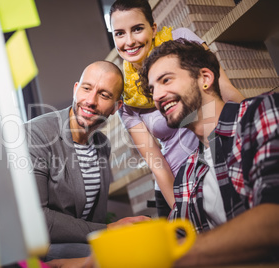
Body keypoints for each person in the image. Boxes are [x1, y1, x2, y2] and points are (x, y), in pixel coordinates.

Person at [46, 39, 279, 268]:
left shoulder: (263, 112)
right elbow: (176, 238)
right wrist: (88, 262)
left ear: (205, 78)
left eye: (166, 80)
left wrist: (166, 256)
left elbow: (273, 221)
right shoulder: (188, 174)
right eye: (152, 89)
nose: (156, 96)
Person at [109, 0, 245, 217]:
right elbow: (157, 164)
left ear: (153, 29)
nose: (130, 41)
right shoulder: (127, 97)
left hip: (222, 152)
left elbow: (226, 90)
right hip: (180, 181)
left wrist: (254, 125)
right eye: (119, 33)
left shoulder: (180, 40)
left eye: (137, 29)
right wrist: (183, 211)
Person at [25, 61, 148, 261]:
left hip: (81, 248)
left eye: (104, 95)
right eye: (87, 88)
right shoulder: (35, 134)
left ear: (116, 107)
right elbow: (38, 220)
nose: (91, 100)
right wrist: (108, 230)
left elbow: (93, 217)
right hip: (41, 252)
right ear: (76, 89)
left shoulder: (102, 145)